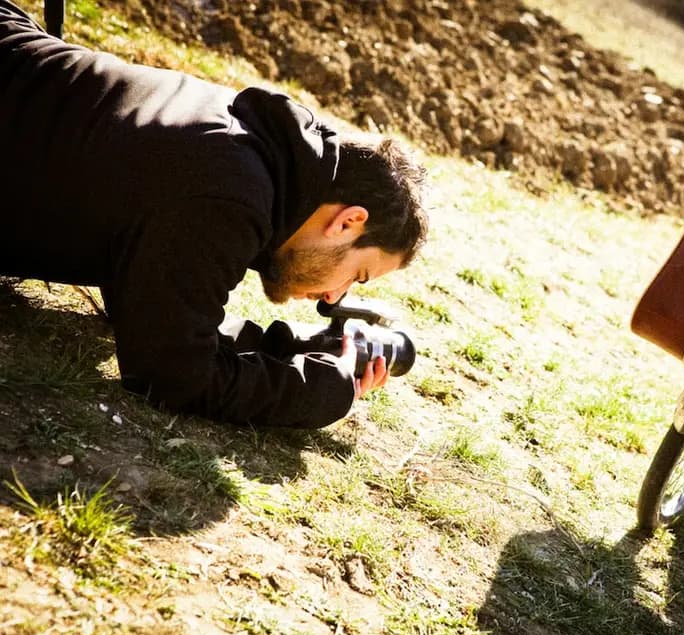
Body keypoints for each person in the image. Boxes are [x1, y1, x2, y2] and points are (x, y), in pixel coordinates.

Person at [0, 1, 428, 428]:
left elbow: (159, 306)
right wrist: (320, 390)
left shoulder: (259, 155)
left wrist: (292, 348)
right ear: (348, 222)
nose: (336, 297)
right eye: (358, 275)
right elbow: (171, 373)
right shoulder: (230, 194)